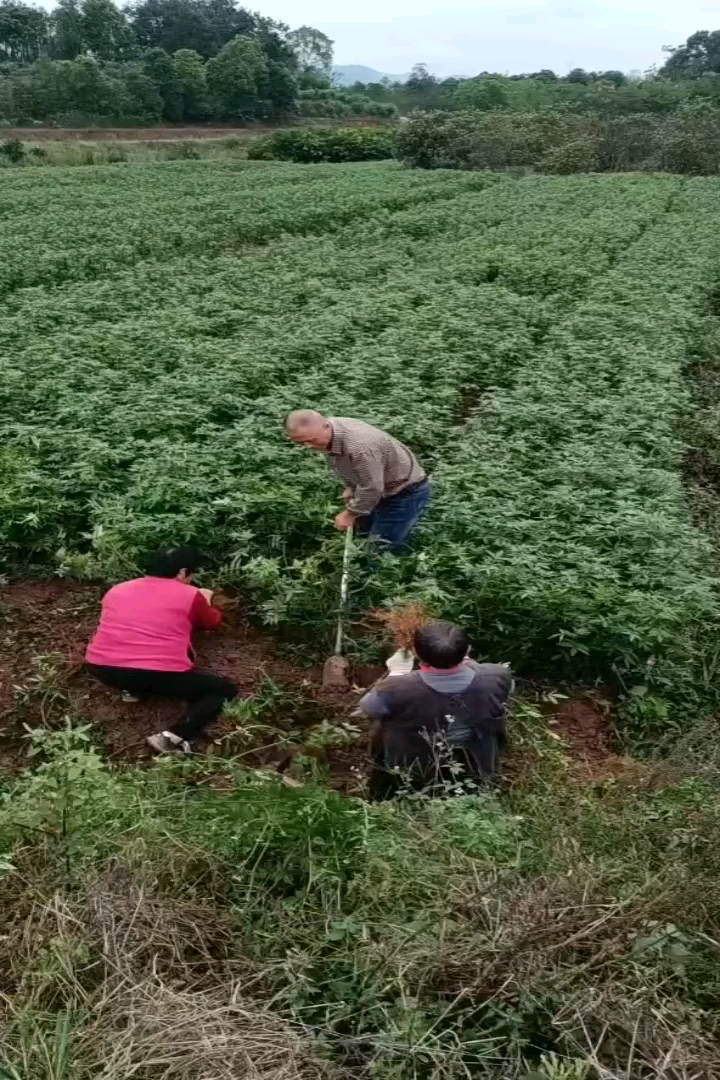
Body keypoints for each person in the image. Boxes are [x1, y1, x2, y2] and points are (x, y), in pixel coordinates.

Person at [86, 546, 238, 754]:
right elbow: (212, 621)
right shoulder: (190, 594)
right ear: (183, 572)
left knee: (134, 666)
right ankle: (174, 737)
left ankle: (132, 690)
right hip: (157, 673)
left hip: (101, 668)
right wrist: (206, 598)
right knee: (223, 690)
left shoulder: (117, 589)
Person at [359, 620, 513, 800]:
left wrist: (397, 672)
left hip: (414, 765)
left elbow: (368, 708)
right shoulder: (498, 675)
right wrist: (466, 663)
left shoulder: (396, 687)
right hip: (477, 761)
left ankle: (386, 794)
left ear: (416, 653)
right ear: (467, 649)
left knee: (382, 724)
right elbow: (502, 691)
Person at [285, 410, 430, 554]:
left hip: (403, 493)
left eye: (311, 440)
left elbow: (372, 487)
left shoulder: (360, 447)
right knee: (364, 536)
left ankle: (384, 573)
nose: (308, 446)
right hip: (378, 487)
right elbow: (355, 468)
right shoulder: (332, 430)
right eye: (300, 442)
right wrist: (352, 487)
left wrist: (350, 514)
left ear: (326, 426)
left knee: (380, 548)